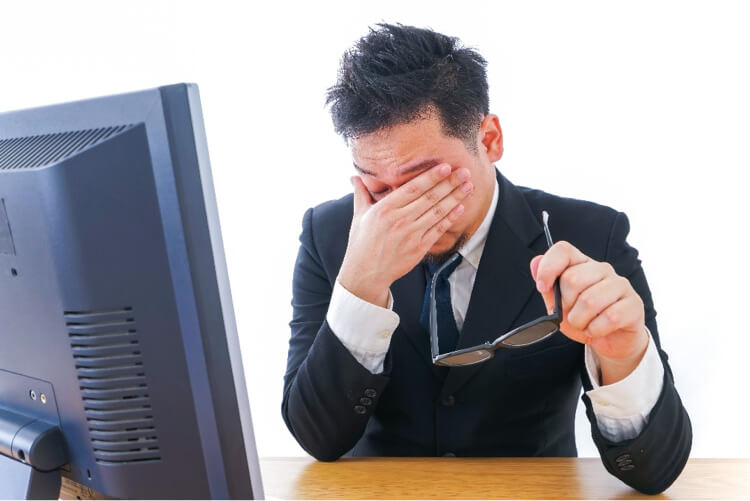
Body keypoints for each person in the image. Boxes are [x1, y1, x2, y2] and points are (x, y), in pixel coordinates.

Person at [282, 23, 691, 495]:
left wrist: (624, 357)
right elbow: (317, 438)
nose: (403, 213)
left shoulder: (592, 237)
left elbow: (654, 473)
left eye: (426, 181)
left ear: (490, 139)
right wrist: (360, 284)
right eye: (377, 186)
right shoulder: (330, 235)